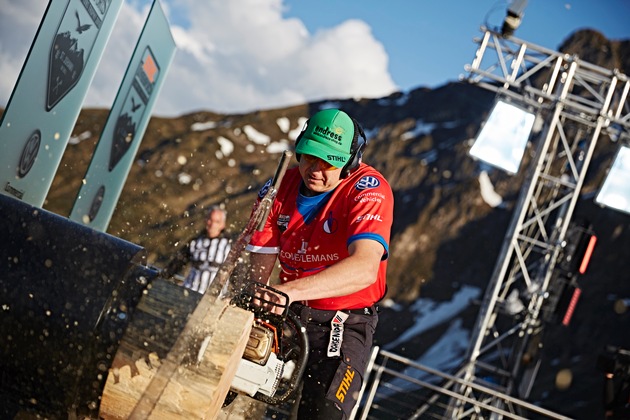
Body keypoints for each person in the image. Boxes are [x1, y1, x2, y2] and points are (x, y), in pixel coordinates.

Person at [245, 108, 394, 419]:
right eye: (310, 156)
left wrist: (287, 291)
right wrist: (257, 303)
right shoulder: (277, 189)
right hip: (287, 313)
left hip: (344, 323)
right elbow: (258, 272)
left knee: (324, 411)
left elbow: (365, 267)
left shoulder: (368, 190)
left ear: (349, 162)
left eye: (330, 162)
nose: (316, 168)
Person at [163, 205, 231, 294]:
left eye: (217, 222)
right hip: (189, 291)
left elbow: (237, 274)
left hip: (212, 298)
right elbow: (176, 264)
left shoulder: (229, 247)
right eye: (210, 220)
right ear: (206, 220)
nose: (212, 224)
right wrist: (161, 277)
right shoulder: (195, 242)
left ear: (222, 225)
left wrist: (232, 296)